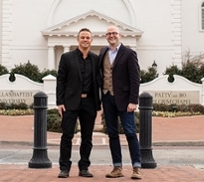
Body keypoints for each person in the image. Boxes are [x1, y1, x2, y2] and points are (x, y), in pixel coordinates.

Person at [56, 28, 101, 178]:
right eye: (82, 37)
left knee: (87, 137)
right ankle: (64, 168)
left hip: (89, 102)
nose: (85, 40)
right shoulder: (67, 57)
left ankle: (84, 167)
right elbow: (61, 80)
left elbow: (100, 81)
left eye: (88, 37)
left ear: (91, 40)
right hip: (70, 102)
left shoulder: (96, 59)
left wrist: (100, 103)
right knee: (67, 135)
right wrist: (60, 102)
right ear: (78, 39)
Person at [99, 25, 142, 180]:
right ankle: (117, 167)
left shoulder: (129, 53)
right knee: (112, 134)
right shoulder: (103, 52)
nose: (112, 35)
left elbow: (135, 79)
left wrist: (133, 100)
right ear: (106, 36)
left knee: (130, 132)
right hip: (107, 98)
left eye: (114, 33)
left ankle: (136, 167)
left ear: (120, 35)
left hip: (125, 101)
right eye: (109, 33)